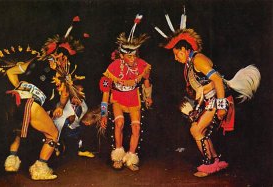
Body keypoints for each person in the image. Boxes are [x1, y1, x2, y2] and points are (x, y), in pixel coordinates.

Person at [154, 9, 261, 177]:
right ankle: (216, 160)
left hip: (219, 99)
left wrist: (221, 106)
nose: (175, 58)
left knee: (196, 130)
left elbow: (218, 80)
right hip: (212, 100)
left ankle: (210, 163)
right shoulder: (191, 62)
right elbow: (208, 83)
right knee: (199, 130)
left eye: (176, 54)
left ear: (183, 49)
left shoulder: (197, 59)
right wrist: (201, 95)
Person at [0, 16, 86, 180]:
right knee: (53, 135)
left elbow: (10, 71)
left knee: (17, 129)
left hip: (13, 100)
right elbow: (64, 95)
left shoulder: (34, 61)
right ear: (62, 57)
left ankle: (11, 161)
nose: (63, 60)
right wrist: (59, 106)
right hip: (31, 104)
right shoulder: (60, 74)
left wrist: (20, 89)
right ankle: (40, 168)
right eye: (64, 57)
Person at [99, 14, 153, 171]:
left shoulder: (143, 65)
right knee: (119, 123)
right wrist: (103, 114)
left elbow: (147, 81)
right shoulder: (113, 68)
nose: (132, 58)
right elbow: (106, 93)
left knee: (136, 128)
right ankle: (118, 156)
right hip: (118, 98)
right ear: (121, 55)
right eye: (128, 55)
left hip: (134, 98)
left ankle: (131, 157)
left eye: (134, 55)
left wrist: (148, 97)